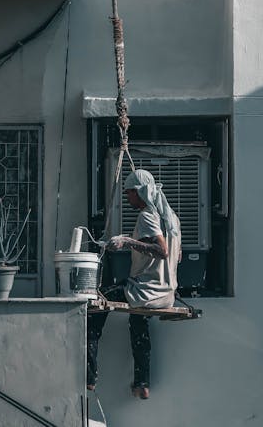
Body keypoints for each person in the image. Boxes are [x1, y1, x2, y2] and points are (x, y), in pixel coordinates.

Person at [87, 169, 181, 400]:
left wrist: (127, 241)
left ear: (141, 192)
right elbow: (176, 257)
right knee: (138, 324)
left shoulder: (148, 215)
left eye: (130, 194)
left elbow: (162, 251)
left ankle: (88, 378)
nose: (128, 198)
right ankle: (142, 383)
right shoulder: (171, 219)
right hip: (166, 293)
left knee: (95, 308)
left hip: (144, 290)